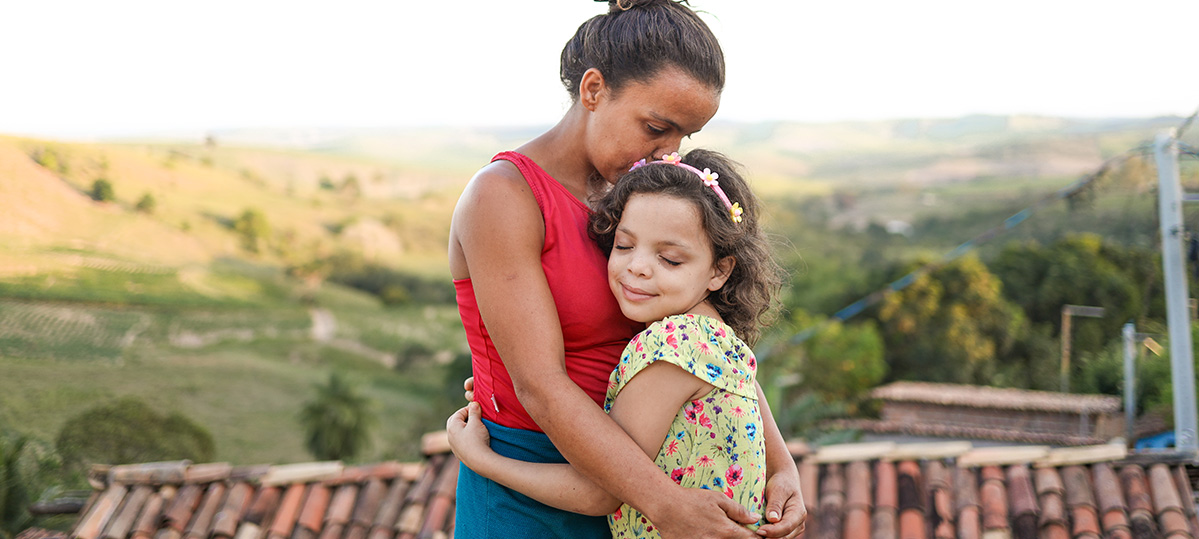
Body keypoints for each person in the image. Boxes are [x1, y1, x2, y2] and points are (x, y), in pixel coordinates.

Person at [447, 1, 805, 537]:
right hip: (534, 489)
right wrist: (665, 503)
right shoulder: (504, 197)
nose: (669, 154)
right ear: (593, 90)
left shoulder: (639, 197)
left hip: (639, 488)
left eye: (683, 136)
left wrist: (782, 466)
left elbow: (704, 334)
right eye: (656, 127)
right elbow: (540, 386)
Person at [450, 149, 783, 539]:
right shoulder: (717, 337)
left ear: (719, 270)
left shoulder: (670, 348)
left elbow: (599, 494)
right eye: (623, 246)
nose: (638, 266)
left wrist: (481, 459)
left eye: (670, 259)